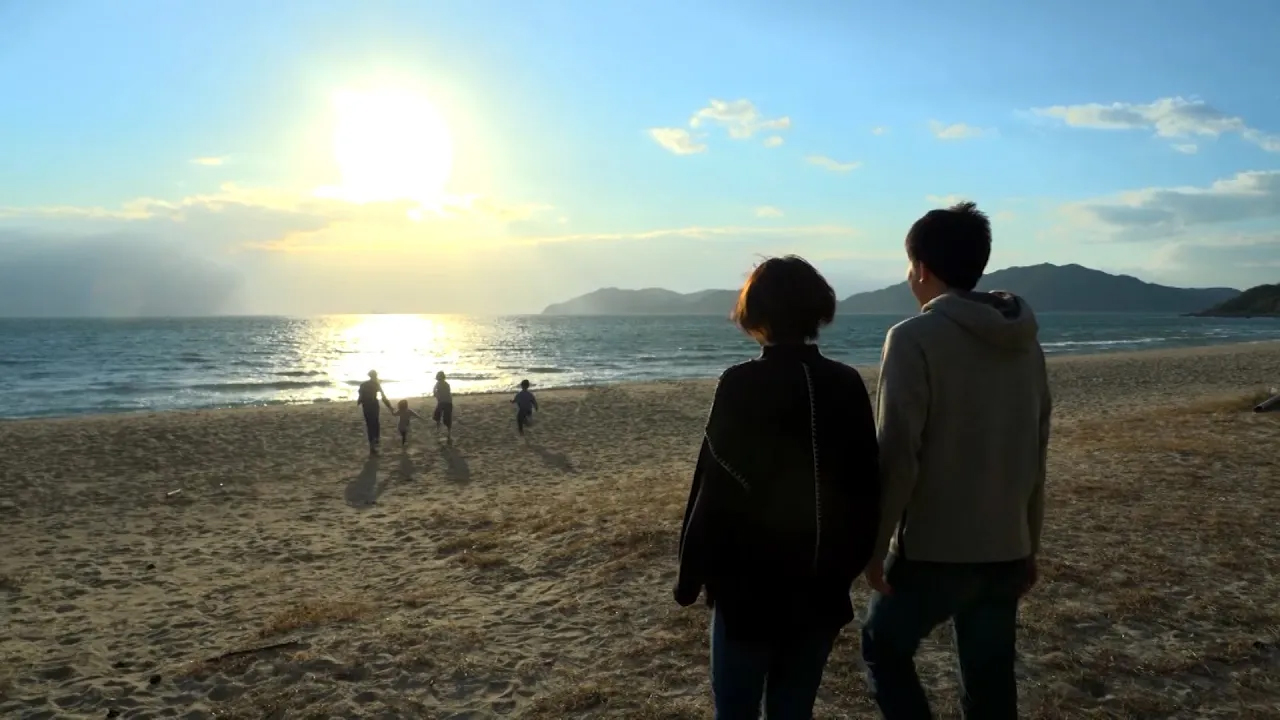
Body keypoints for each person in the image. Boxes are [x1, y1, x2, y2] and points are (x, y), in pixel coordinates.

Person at [861, 202, 1052, 719]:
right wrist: (1028, 542)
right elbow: (1036, 450)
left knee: (883, 648)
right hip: (1006, 545)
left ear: (921, 268)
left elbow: (899, 453)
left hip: (932, 549)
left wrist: (875, 546)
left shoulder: (911, 338)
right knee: (990, 681)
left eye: (910, 267)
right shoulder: (1026, 343)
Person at [674, 255, 881, 719]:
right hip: (821, 589)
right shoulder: (846, 383)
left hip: (748, 593)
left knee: (736, 709)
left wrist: (689, 578)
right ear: (818, 311)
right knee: (793, 709)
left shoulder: (741, 383)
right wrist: (848, 566)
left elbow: (715, 486)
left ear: (756, 313)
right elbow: (867, 484)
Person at [356, 370, 394, 454]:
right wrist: (390, 407)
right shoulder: (376, 384)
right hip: (373, 405)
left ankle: (372, 445)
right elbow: (383, 397)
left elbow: (360, 397)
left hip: (366, 406)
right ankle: (375, 441)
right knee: (375, 423)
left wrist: (359, 403)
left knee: (370, 425)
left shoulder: (363, 385)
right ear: (375, 376)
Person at [432, 371, 454, 442]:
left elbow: (434, 391)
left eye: (438, 377)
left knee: (441, 417)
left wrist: (437, 395)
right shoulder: (445, 384)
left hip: (445, 402)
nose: (438, 379)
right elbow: (435, 391)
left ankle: (443, 432)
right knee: (442, 417)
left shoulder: (440, 384)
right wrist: (437, 395)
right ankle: (446, 432)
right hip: (446, 402)